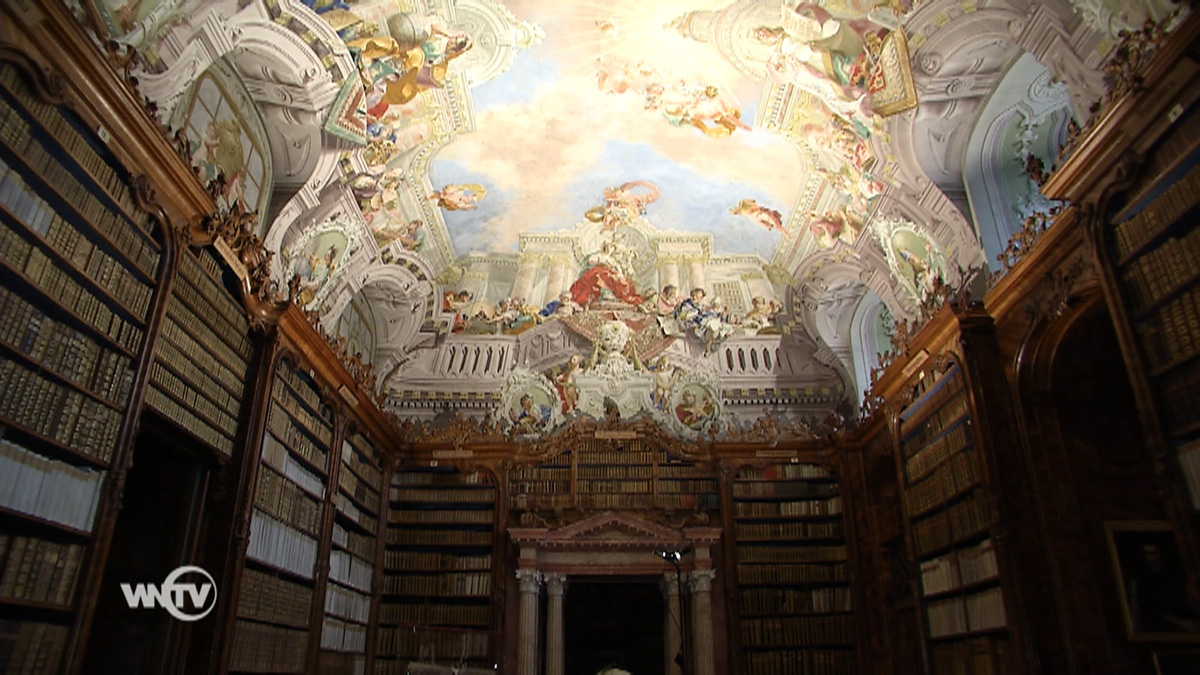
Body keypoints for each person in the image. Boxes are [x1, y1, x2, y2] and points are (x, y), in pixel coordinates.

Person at [569, 240, 646, 308]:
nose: (611, 249)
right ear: (605, 247)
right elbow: (590, 260)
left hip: (610, 272)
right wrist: (601, 261)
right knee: (605, 276)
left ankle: (613, 295)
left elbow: (618, 268)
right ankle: (606, 294)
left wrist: (620, 275)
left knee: (625, 282)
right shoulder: (600, 255)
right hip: (599, 270)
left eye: (613, 248)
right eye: (610, 247)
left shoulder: (612, 259)